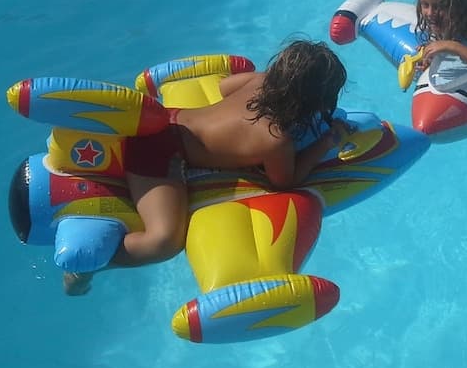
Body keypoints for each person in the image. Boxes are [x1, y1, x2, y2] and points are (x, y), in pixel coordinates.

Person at [64, 39, 349, 295]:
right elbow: (284, 182)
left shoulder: (259, 81)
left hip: (167, 119)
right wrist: (326, 142)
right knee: (163, 242)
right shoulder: (275, 139)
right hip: (158, 153)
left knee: (164, 238)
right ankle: (87, 267)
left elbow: (223, 88)